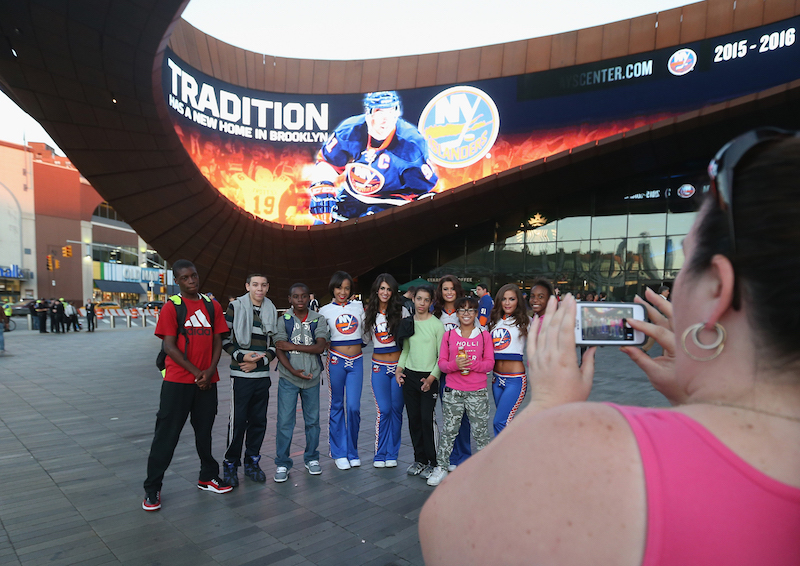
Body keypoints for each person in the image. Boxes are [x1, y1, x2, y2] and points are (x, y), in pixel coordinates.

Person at [419, 129, 800, 564]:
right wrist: (706, 395)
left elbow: (444, 530)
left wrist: (548, 409)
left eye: (684, 264)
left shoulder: (612, 445)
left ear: (716, 288)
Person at [143, 260, 232, 511]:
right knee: (166, 435)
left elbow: (218, 340)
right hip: (178, 382)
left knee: (204, 432)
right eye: (185, 278)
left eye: (194, 276)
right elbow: (169, 346)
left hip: (207, 381)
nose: (191, 281)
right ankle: (152, 488)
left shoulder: (211, 305)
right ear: (177, 281)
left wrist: (210, 371)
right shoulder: (172, 308)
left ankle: (207, 476)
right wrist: (197, 373)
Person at [308, 91, 438, 223]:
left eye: (390, 111)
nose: (386, 120)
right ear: (368, 113)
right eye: (380, 112)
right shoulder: (349, 130)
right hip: (353, 194)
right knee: (322, 221)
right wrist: (322, 186)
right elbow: (327, 162)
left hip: (391, 199)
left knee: (368, 229)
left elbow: (422, 190)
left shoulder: (411, 143)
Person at [427, 296, 494, 487]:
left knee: (481, 433)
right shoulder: (449, 336)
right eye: (462, 310)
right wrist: (455, 364)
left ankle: (485, 470)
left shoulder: (483, 335)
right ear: (457, 313)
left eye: (471, 310)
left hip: (477, 391)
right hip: (454, 391)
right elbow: (442, 364)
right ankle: (441, 466)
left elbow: (490, 363)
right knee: (449, 431)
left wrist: (475, 364)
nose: (466, 314)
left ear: (476, 313)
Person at [220, 274, 277, 487]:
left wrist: (259, 364)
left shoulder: (271, 310)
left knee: (258, 421)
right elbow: (224, 338)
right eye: (255, 285)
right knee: (237, 422)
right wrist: (241, 357)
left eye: (263, 285)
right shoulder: (235, 307)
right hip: (241, 376)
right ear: (247, 286)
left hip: (262, 376)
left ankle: (252, 461)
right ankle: (230, 464)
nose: (259, 289)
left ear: (267, 287)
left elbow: (275, 344)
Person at [273, 283, 329, 482]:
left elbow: (320, 347)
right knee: (285, 422)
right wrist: (292, 370)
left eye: (303, 296)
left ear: (309, 298)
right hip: (289, 378)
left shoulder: (318, 319)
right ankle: (282, 462)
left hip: (312, 378)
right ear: (289, 299)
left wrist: (292, 345)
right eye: (295, 297)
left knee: (312, 421)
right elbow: (280, 348)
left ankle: (312, 457)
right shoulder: (283, 320)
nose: (300, 300)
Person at [319, 271, 365, 469]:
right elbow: (320, 336)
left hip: (357, 360)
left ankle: (352, 451)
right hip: (336, 360)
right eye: (339, 287)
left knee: (353, 407)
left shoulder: (359, 306)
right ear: (333, 288)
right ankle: (338, 452)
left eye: (347, 288)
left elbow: (367, 331)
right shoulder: (324, 310)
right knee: (337, 404)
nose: (343, 292)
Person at [397, 286, 443, 479]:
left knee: (427, 419)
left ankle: (434, 462)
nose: (422, 303)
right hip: (410, 377)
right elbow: (406, 351)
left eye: (426, 300)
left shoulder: (436, 325)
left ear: (431, 302)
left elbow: (441, 357)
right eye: (419, 299)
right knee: (414, 419)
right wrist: (399, 370)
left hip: (429, 377)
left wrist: (432, 378)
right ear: (413, 299)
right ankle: (420, 460)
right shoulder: (408, 323)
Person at [364, 274, 408, 468]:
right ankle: (380, 453)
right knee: (384, 410)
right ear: (376, 290)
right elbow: (363, 338)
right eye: (382, 288)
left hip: (398, 367)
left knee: (397, 411)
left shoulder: (402, 311)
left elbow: (408, 342)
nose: (385, 292)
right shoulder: (370, 313)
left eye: (389, 289)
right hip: (378, 367)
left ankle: (392, 453)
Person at [433, 275, 471, 470]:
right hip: (443, 371)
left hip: (463, 371)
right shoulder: (435, 313)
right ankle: (450, 456)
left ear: (458, 290)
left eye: (452, 289)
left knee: (463, 415)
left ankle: (463, 456)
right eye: (445, 289)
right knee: (449, 415)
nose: (449, 292)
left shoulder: (464, 312)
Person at [488, 284, 531, 435]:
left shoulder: (526, 321)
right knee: (505, 421)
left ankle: (510, 455)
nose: (507, 303)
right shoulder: (493, 322)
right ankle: (506, 456)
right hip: (496, 380)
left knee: (500, 421)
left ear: (518, 301)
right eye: (504, 299)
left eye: (511, 299)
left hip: (515, 380)